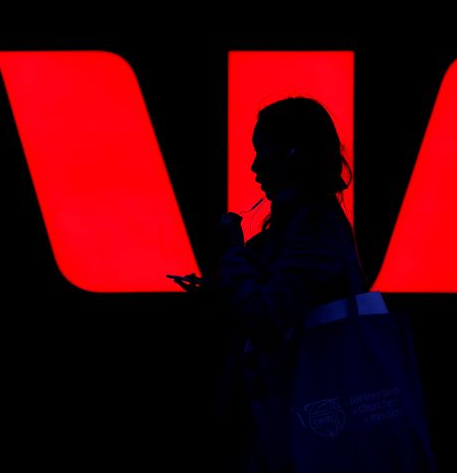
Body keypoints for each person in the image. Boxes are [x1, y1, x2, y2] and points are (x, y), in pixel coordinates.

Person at [174, 97, 434, 472]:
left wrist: (233, 253)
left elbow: (266, 316)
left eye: (262, 152)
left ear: (291, 154)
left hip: (301, 422)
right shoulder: (298, 224)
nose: (254, 166)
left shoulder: (313, 227)